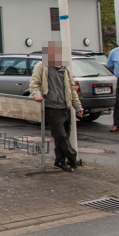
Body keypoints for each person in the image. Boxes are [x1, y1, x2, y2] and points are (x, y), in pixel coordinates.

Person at [30, 41, 84, 172]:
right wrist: (36, 94)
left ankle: (60, 161)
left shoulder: (65, 70)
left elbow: (72, 90)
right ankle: (72, 157)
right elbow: (34, 83)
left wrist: (78, 107)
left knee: (63, 136)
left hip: (65, 106)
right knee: (60, 135)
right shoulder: (42, 67)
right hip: (52, 107)